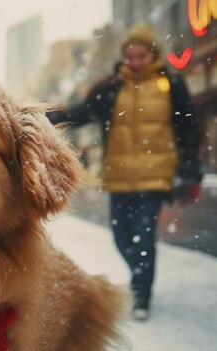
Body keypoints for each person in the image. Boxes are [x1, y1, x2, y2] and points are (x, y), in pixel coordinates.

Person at [47, 23, 202, 321]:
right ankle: (140, 278)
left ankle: (141, 293)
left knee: (143, 236)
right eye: (129, 56)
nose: (134, 62)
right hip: (119, 176)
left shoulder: (171, 83)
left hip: (156, 175)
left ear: (152, 54)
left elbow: (187, 130)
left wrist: (189, 169)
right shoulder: (112, 87)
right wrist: (47, 118)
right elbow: (81, 113)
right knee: (120, 236)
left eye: (140, 55)